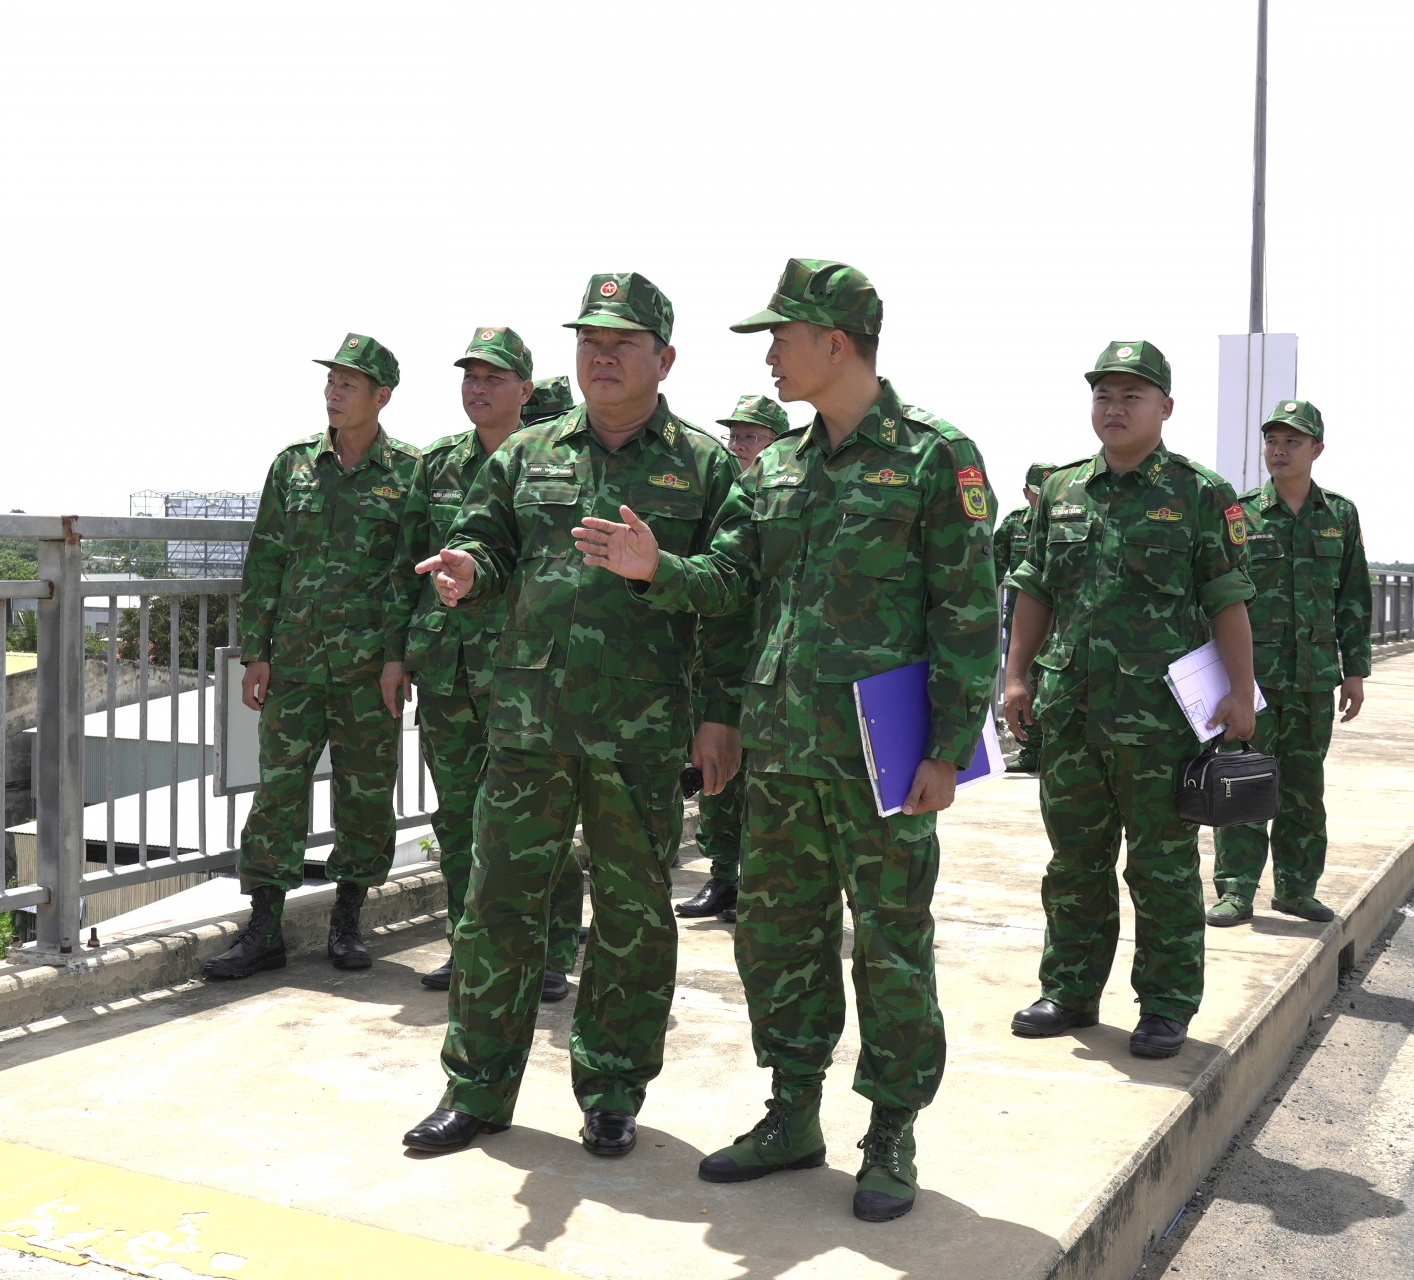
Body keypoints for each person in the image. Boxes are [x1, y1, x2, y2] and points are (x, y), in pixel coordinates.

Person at [575, 259, 999, 1223]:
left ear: (836, 343)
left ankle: (891, 1130)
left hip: (885, 749)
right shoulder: (774, 468)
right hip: (781, 747)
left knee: (891, 944)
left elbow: (969, 609)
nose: (769, 354)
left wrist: (947, 746)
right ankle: (793, 1111)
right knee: (777, 939)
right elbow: (729, 586)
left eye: (782, 336)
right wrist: (659, 569)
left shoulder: (937, 457)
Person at [401, 272, 747, 1159]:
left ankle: (613, 1089)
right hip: (527, 724)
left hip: (639, 734)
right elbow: (488, 541)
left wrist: (717, 715)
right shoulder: (528, 452)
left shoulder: (705, 468)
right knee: (497, 907)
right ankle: (476, 1089)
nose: (601, 355)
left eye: (623, 341)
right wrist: (470, 571)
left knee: (632, 917)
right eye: (589, 339)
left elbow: (735, 597)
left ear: (663, 359)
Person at [1000, 341, 1257, 1061]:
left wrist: (1241, 692)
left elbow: (1228, 598)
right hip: (1072, 711)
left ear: (1165, 409)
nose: (1114, 409)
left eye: (1131, 397)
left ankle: (1166, 1003)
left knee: (1161, 865)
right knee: (1074, 861)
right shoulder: (1061, 491)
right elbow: (1035, 589)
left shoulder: (1200, 493)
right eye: (1104, 396)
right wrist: (1016, 677)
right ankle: (1071, 991)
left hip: (1161, 722)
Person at [205, 334, 422, 980]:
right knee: (277, 793)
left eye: (349, 384)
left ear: (382, 397)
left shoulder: (409, 474)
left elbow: (410, 576)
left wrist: (397, 658)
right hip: (295, 666)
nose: (334, 391)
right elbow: (266, 559)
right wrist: (257, 653)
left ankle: (349, 920)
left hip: (367, 672)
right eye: (331, 381)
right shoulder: (293, 465)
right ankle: (264, 925)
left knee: (364, 795)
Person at [401, 326, 580, 1002]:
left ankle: (553, 952)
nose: (478, 389)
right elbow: (406, 568)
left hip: (532, 676)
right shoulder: (438, 464)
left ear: (525, 391)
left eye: (494, 378)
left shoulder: (556, 463)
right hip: (450, 672)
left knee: (542, 821)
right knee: (457, 819)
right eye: (470, 378)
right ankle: (468, 945)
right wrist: (401, 655)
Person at [1208, 400, 1371, 927]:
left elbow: (1353, 596)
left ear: (1316, 450)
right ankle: (1235, 891)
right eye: (1272, 441)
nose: (1278, 451)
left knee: (1304, 787)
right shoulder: (1239, 511)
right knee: (1242, 782)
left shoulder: (1340, 515)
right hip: (1249, 680)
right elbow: (1214, 592)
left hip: (1313, 678)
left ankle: (1297, 890)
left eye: (1292, 442)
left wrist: (1354, 671)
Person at [678, 392, 791, 923]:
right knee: (717, 774)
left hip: (772, 664)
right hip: (717, 660)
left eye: (751, 436)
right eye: (735, 435)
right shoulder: (724, 493)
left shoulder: (787, 492)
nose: (739, 444)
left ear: (776, 443)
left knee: (767, 782)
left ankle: (763, 880)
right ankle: (723, 876)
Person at [994, 462, 1059, 774]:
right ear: (1026, 493)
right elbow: (991, 570)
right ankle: (1031, 749)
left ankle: (1056, 749)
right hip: (1022, 625)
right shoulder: (1014, 524)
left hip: (1062, 626)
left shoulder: (1069, 522)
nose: (1042, 499)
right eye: (1037, 493)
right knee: (1024, 684)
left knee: (1056, 686)